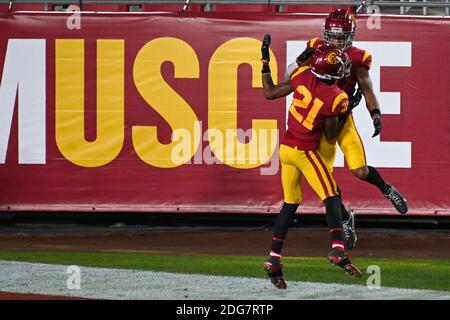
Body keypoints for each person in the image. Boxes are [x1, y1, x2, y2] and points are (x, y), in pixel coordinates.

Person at [285, 9, 408, 250]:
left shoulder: (357, 58)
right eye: (332, 36)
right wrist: (300, 59)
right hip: (320, 122)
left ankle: (386, 189)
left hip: (343, 119)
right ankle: (345, 219)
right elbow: (290, 76)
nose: (336, 42)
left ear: (351, 36)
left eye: (341, 37)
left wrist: (376, 115)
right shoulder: (316, 48)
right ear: (325, 33)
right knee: (325, 181)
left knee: (360, 170)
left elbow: (367, 88)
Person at [261, 34, 363, 289]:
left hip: (285, 148)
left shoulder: (302, 75)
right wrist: (347, 107)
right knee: (331, 196)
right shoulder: (336, 96)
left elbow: (270, 92)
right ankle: (338, 249)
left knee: (290, 203)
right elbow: (329, 134)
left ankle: (274, 259)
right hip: (304, 151)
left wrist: (264, 61)